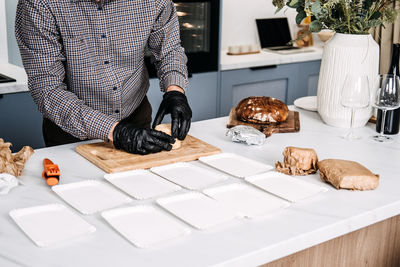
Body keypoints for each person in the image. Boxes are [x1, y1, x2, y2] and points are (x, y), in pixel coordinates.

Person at [15, 0, 192, 155]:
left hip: (136, 118)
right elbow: (47, 88)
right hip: (71, 132)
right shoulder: (39, 4)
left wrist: (175, 91)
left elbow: (169, 50)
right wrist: (114, 131)